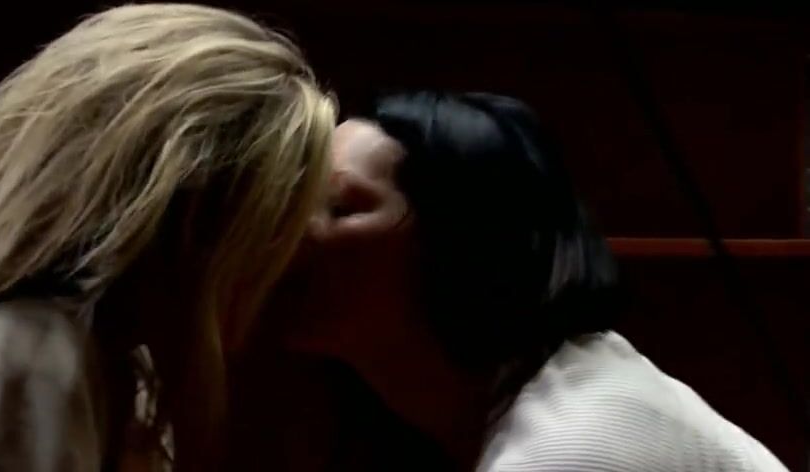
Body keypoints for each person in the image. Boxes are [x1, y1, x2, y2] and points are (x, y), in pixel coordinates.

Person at [227, 91, 788, 471]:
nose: (285, 234)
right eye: (292, 203)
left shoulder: (570, 442)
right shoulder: (509, 399)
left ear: (462, 244)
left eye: (343, 207)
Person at [0, 4, 334, 471]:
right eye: (269, 221)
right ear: (197, 215)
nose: (284, 253)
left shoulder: (121, 369)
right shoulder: (34, 358)